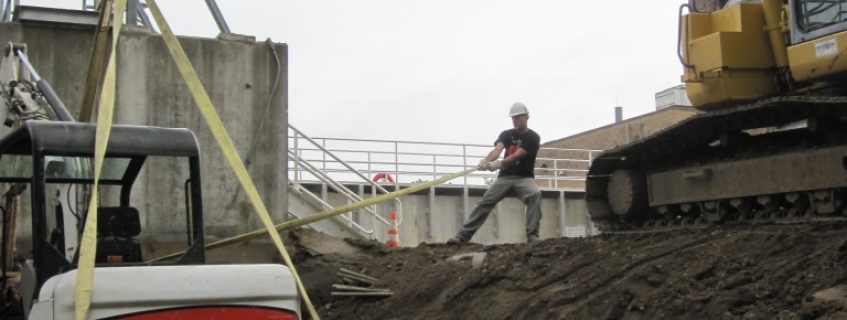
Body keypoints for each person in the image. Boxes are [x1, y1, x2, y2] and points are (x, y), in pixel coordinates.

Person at [448, 102, 542, 244]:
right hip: (504, 178)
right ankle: (462, 236)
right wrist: (486, 161)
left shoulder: (533, 137)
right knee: (485, 202)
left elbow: (517, 155)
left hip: (524, 178)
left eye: (518, 117)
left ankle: (532, 236)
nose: (515, 121)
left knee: (535, 194)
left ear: (526, 117)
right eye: (513, 118)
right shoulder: (506, 134)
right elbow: (497, 151)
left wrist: (498, 164)